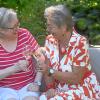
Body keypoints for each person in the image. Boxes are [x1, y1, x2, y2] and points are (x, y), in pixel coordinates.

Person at [36, 5, 100, 100]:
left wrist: (49, 70)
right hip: (61, 89)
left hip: (82, 88)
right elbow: (47, 66)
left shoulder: (80, 43)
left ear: (63, 27)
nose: (48, 30)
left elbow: (76, 78)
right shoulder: (50, 40)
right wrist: (50, 88)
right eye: (47, 25)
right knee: (42, 98)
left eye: (51, 26)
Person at [0, 7, 43, 100]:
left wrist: (37, 83)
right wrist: (15, 68)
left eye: (17, 24)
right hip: (4, 89)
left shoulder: (24, 34)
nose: (17, 29)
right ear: (1, 30)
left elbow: (41, 58)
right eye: (13, 27)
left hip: (28, 85)